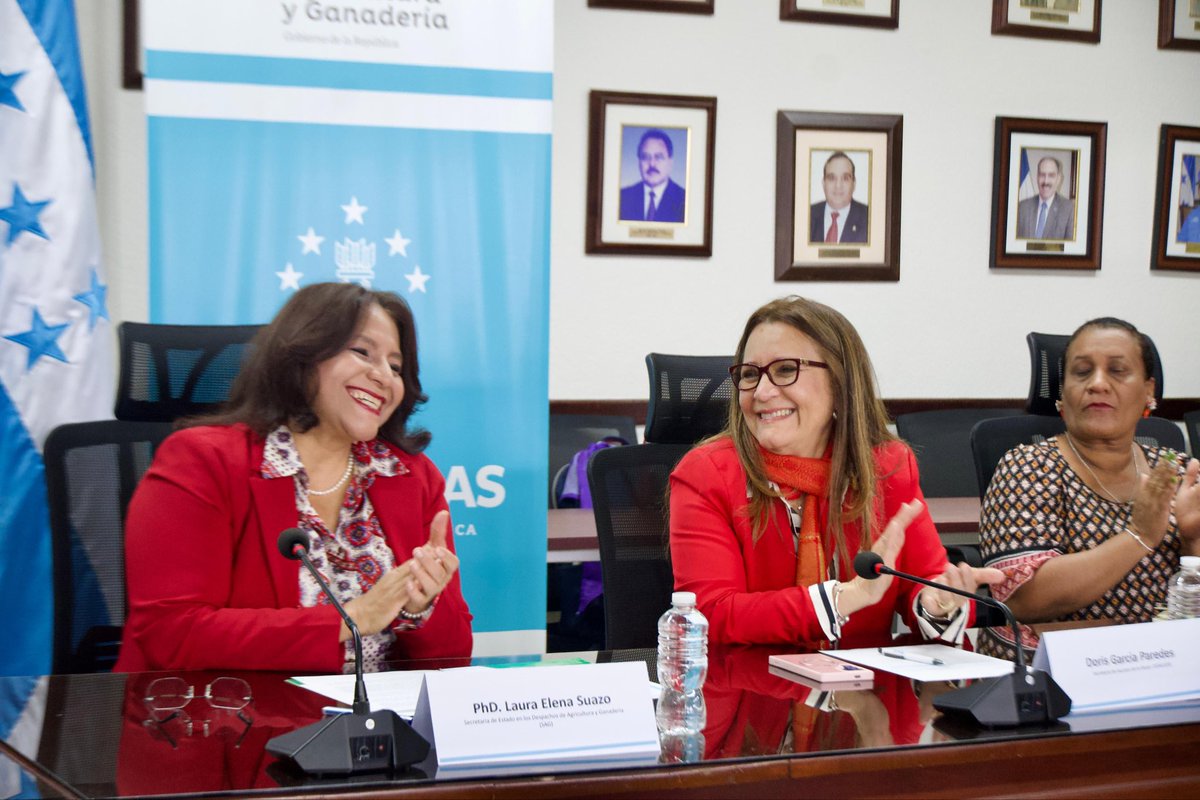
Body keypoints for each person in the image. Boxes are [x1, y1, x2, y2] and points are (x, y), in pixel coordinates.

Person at [116, 283, 473, 673]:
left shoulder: (410, 476)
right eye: (362, 352)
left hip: (381, 726)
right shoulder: (201, 461)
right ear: (303, 353)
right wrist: (349, 618)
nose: (384, 377)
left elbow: (454, 658)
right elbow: (171, 634)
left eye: (396, 366)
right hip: (235, 722)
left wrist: (420, 608)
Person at [669, 296, 1002, 646]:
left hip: (863, 694)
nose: (762, 392)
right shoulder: (708, 474)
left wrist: (938, 604)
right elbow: (710, 615)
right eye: (750, 375)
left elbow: (923, 585)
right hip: (751, 689)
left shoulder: (887, 467)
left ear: (840, 384)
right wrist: (848, 597)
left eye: (785, 370)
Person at [979, 317, 1200, 660]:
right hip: (1052, 676)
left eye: (1117, 371)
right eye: (1082, 372)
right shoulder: (1028, 466)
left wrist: (1193, 540)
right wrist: (1138, 535)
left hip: (1161, 667)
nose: (1098, 384)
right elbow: (1023, 599)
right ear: (1062, 393)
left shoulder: (1175, 471)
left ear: (1148, 390)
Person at [618, 128, 686, 223]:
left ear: (670, 162)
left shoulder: (684, 200)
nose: (652, 164)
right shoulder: (622, 198)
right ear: (639, 162)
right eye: (645, 157)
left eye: (659, 157)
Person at [809, 151, 868, 244]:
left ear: (854, 184)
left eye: (845, 178)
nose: (838, 185)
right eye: (832, 178)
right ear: (823, 183)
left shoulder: (869, 219)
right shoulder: (807, 215)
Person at [1016, 156, 1075, 240]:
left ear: (1058, 179)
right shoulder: (1022, 207)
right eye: (1042, 175)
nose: (1046, 181)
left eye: (1051, 175)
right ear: (1037, 177)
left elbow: (1070, 249)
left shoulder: (1069, 209)